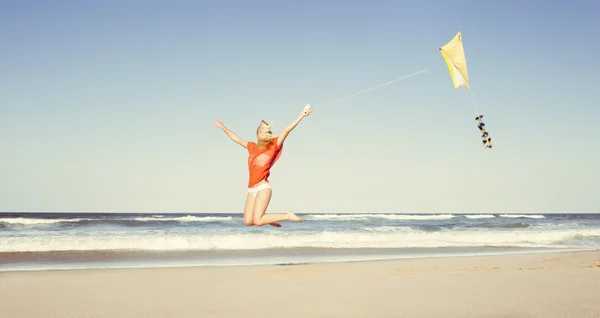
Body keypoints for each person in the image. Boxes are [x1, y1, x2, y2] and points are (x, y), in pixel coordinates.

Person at [213, 104, 313, 227]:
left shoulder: (273, 145)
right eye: (260, 133)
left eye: (264, 133)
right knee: (248, 221)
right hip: (251, 189)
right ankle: (268, 219)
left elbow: (286, 130)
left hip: (263, 188)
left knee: (258, 221)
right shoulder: (252, 147)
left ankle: (287, 215)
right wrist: (222, 127)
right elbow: (237, 139)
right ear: (257, 135)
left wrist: (301, 115)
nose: (262, 135)